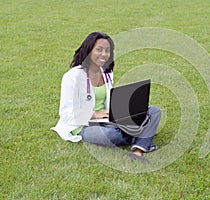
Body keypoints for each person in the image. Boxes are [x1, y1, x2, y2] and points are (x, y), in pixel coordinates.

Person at [51, 32, 161, 163]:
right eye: (99, 49)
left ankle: (138, 151)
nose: (104, 54)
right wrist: (95, 115)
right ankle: (143, 135)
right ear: (88, 50)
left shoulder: (107, 73)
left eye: (107, 51)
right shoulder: (72, 77)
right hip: (82, 125)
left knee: (154, 111)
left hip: (107, 118)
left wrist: (123, 109)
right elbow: (65, 113)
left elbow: (108, 101)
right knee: (111, 135)